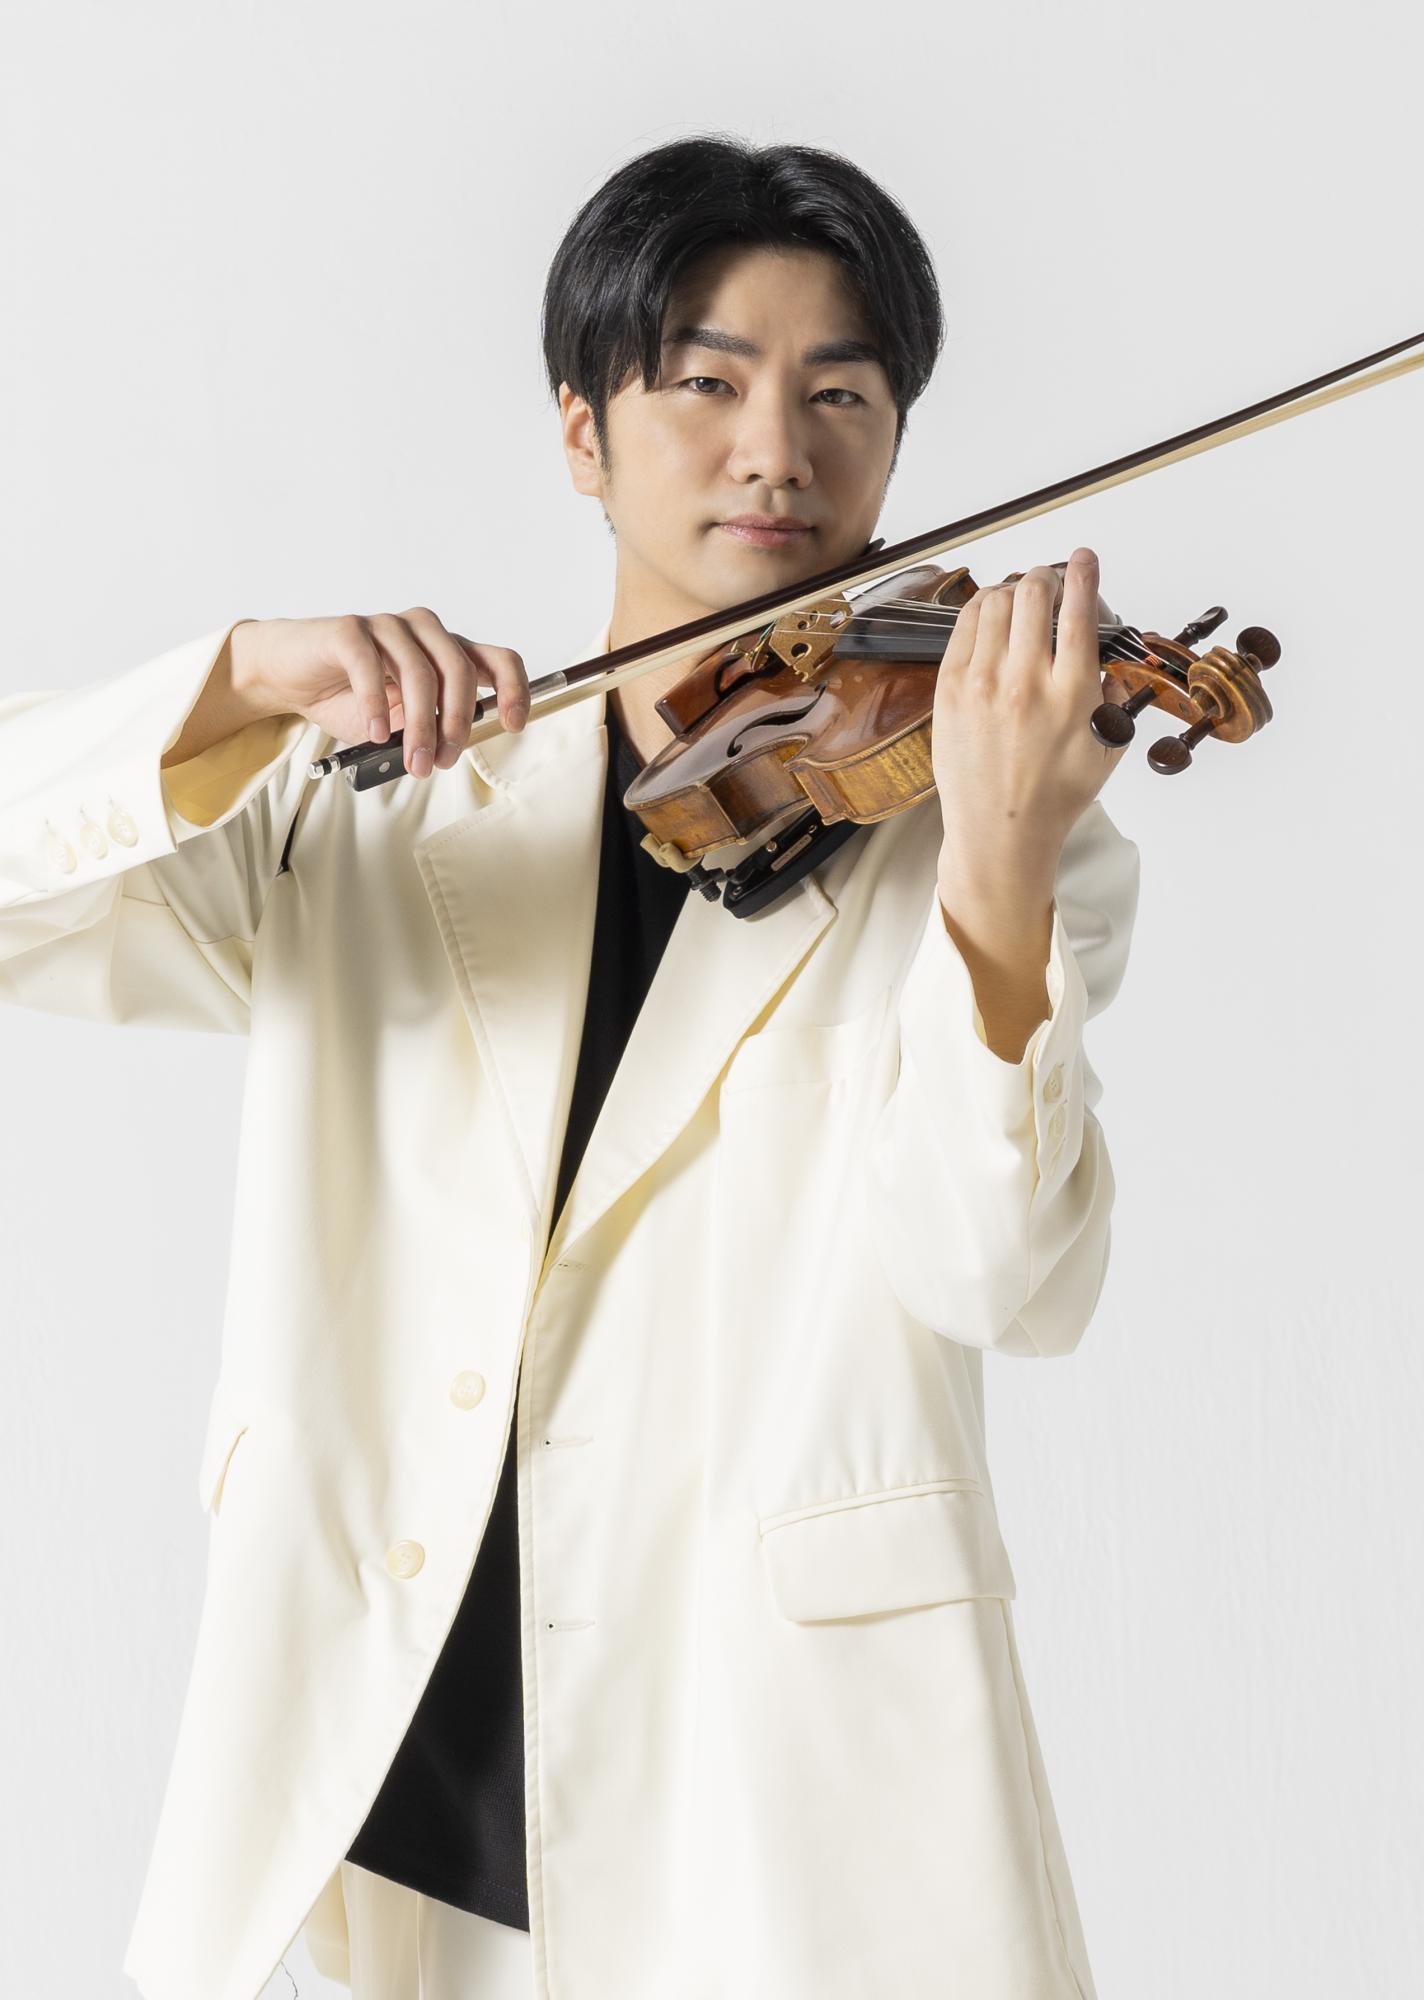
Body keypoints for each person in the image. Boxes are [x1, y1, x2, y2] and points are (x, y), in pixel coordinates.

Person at [0, 134, 1140, 2000]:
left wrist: (1000, 865)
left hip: (773, 1783)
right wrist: (236, 681)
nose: (774, 451)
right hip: (400, 1764)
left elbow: (1000, 1276)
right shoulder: (368, 801)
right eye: (705, 382)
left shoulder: (980, 826)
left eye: (839, 395)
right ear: (581, 432)